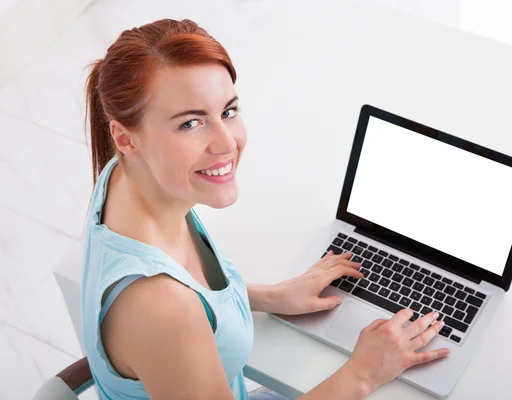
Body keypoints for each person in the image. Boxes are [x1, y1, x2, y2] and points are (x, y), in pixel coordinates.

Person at [81, 18, 451, 400]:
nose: (227, 144)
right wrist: (362, 374)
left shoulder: (128, 180)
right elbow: (171, 314)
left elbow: (192, 295)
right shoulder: (162, 310)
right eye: (190, 123)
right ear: (125, 138)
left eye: (228, 112)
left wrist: (269, 296)